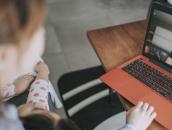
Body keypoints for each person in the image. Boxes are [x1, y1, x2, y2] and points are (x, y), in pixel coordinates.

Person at [0, 0, 157, 130]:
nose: (42, 33)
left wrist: (28, 82)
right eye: (35, 30)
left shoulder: (15, 120)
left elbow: (37, 106)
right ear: (6, 54)